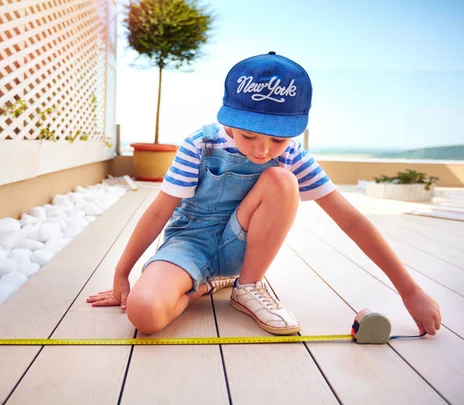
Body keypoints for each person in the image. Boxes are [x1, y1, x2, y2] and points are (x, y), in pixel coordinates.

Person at [87, 52, 442, 336]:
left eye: (278, 139)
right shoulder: (201, 143)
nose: (262, 150)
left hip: (239, 251)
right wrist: (122, 273)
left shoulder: (291, 157)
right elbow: (158, 211)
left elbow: (350, 219)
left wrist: (409, 290)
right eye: (249, 136)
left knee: (282, 179)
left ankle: (247, 287)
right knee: (143, 314)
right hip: (189, 244)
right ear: (228, 119)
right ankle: (203, 288)